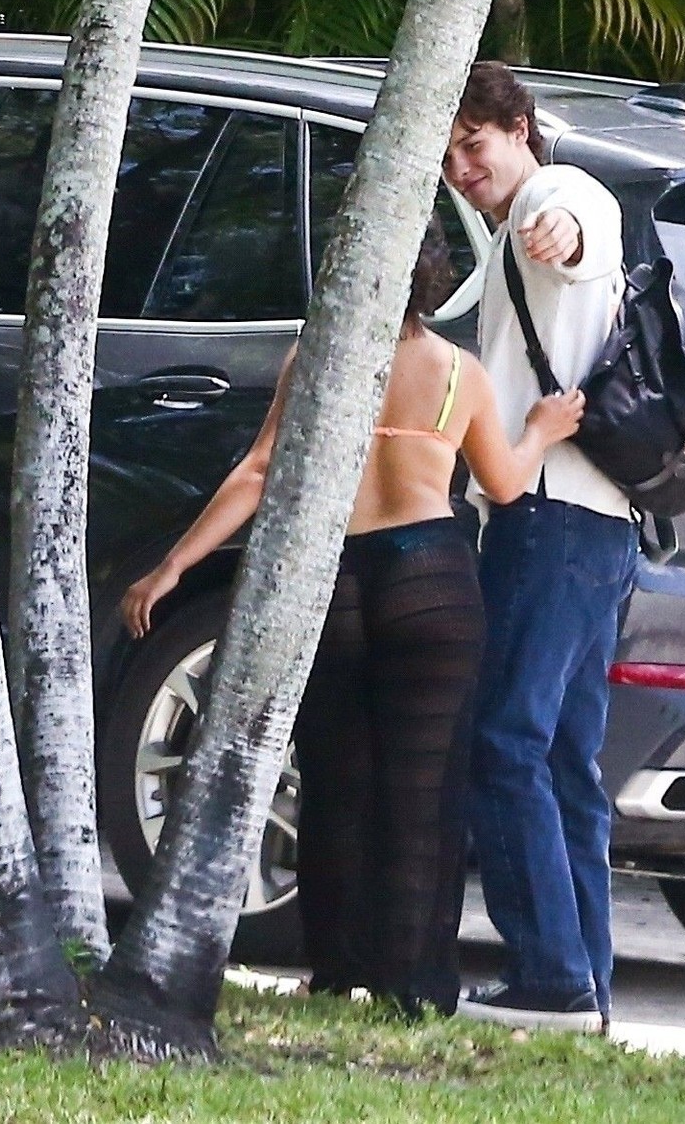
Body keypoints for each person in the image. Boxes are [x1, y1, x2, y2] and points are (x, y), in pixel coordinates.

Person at [121, 220, 584, 1016]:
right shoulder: (458, 372)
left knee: (335, 776)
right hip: (431, 575)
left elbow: (258, 471)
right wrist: (540, 431)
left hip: (337, 574)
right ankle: (416, 982)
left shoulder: (318, 358)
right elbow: (505, 485)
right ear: (431, 282)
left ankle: (337, 967)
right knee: (423, 789)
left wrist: (175, 564)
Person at [444, 61, 637, 1034]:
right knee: (564, 759)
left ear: (521, 128)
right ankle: (585, 983)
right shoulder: (508, 225)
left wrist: (556, 229)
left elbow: (577, 228)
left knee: (504, 740)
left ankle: (551, 979)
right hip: (601, 522)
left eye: (473, 144)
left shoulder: (555, 195)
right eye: (448, 154)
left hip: (548, 518)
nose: (460, 167)